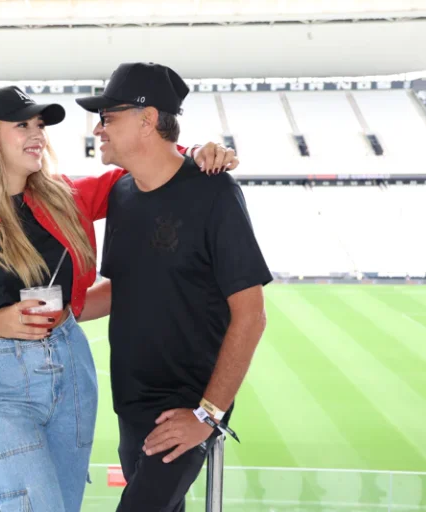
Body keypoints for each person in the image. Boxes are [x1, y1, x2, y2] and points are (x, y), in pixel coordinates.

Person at [0, 85, 238, 512]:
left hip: (72, 371)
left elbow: (146, 165)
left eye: (39, 125)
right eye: (22, 125)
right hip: (3, 383)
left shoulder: (66, 196)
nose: (37, 134)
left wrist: (196, 151)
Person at [77, 62, 272, 512]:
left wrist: (207, 413)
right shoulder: (122, 194)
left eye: (107, 117)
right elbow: (125, 286)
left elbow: (251, 314)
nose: (98, 129)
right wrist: (65, 311)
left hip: (187, 405)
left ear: (147, 120)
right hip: (131, 402)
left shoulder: (215, 193)